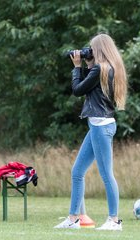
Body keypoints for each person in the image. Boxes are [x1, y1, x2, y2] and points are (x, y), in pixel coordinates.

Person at [54, 33, 127, 231]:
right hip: (98, 125)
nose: (89, 51)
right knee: (77, 171)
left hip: (101, 126)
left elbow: (78, 90)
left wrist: (77, 67)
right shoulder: (107, 68)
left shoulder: (100, 69)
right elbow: (91, 89)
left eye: (92, 48)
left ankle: (114, 220)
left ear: (99, 50)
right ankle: (73, 218)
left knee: (106, 174)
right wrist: (87, 64)